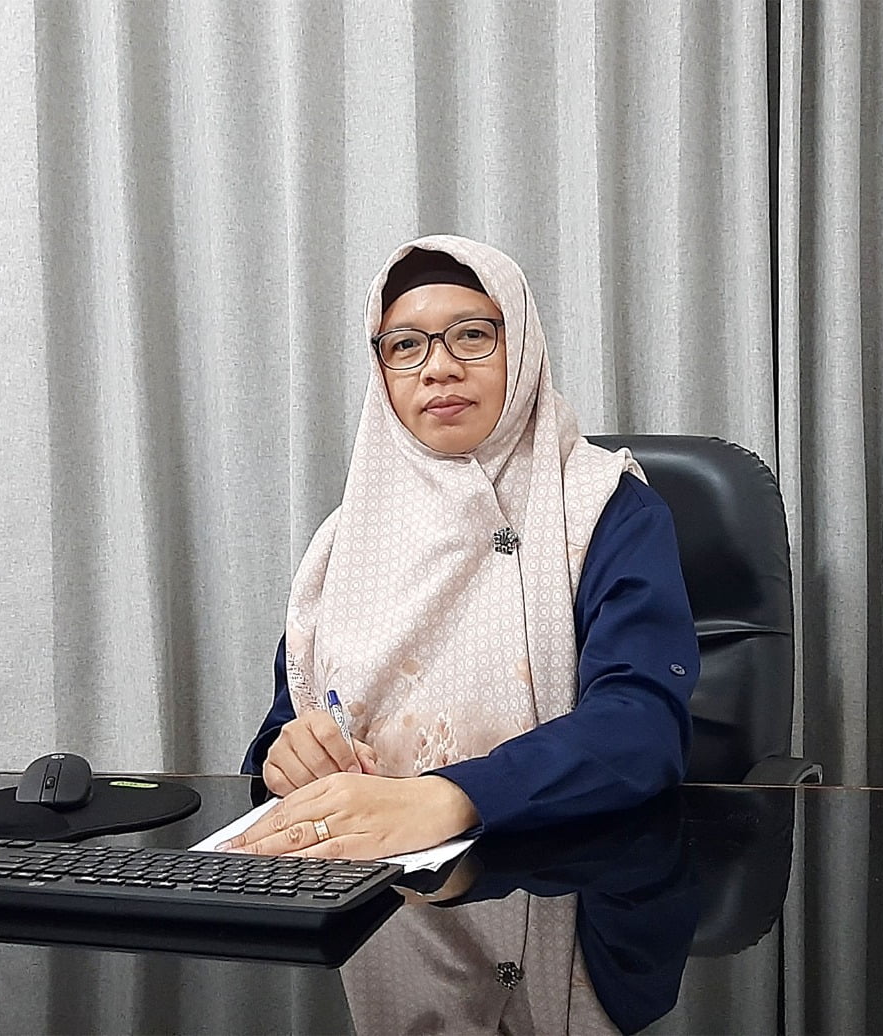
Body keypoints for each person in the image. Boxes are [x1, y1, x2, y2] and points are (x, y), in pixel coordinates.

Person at [223, 235, 698, 861]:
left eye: (472, 335)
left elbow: (641, 726)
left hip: (552, 863)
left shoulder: (605, 508)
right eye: (405, 346)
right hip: (355, 876)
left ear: (521, 347)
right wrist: (285, 756)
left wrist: (453, 798)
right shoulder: (347, 537)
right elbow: (284, 728)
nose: (438, 368)